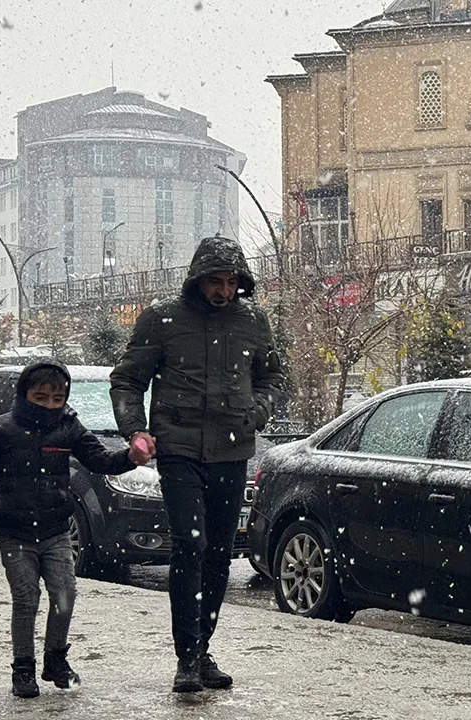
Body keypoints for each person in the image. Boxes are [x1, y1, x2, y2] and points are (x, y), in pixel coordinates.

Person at [110, 235, 284, 693]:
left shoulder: (253, 322)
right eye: (214, 281)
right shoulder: (162, 320)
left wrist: (259, 411)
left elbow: (272, 376)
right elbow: (128, 380)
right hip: (179, 447)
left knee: (219, 554)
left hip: (232, 449)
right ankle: (186, 655)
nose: (223, 291)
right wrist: (136, 431)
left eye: (231, 282)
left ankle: (203, 647)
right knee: (191, 545)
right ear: (196, 280)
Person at [0, 360, 146, 698]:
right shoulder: (1, 430)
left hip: (56, 529)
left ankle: (55, 659)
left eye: (57, 399)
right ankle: (23, 668)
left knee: (65, 594)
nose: (48, 405)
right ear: (24, 395)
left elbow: (99, 460)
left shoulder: (69, 428)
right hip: (14, 530)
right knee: (26, 598)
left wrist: (130, 457)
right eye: (40, 397)